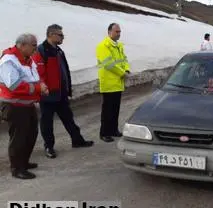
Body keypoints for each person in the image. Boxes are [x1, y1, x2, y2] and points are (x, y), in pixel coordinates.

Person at [32, 24, 94, 159]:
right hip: (48, 95)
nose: (62, 37)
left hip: (61, 94)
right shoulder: (41, 51)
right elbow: (39, 73)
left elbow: (64, 70)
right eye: (60, 35)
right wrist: (43, 88)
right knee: (47, 123)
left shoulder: (58, 51)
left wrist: (67, 88)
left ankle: (77, 140)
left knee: (68, 119)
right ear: (51, 35)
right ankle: (49, 146)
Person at [0, 33, 49, 179]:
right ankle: (17, 168)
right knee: (19, 138)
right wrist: (38, 88)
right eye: (33, 45)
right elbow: (14, 86)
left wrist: (41, 85)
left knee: (30, 135)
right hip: (14, 106)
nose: (36, 48)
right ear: (22, 45)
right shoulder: (9, 61)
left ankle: (24, 162)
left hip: (27, 105)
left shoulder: (28, 60)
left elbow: (35, 78)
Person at [96, 23, 130, 142]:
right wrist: (122, 73)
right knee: (107, 110)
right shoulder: (103, 46)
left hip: (118, 83)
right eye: (116, 31)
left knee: (115, 109)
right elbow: (109, 64)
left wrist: (126, 69)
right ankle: (104, 132)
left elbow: (124, 59)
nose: (119, 34)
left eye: (120, 32)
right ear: (109, 32)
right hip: (109, 84)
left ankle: (113, 130)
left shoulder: (119, 46)